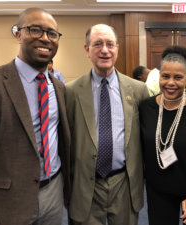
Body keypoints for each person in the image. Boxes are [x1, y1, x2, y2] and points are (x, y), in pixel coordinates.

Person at [65, 24, 149, 225]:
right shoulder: (70, 92)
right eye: (97, 44)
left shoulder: (138, 90)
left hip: (124, 183)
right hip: (86, 185)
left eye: (110, 44)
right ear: (87, 50)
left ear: (117, 49)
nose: (104, 50)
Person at [0, 7, 70, 225]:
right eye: (35, 30)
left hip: (53, 192)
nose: (45, 39)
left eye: (52, 33)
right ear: (18, 34)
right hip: (10, 198)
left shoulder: (58, 87)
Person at [139, 45, 186, 225]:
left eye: (178, 77)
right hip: (158, 190)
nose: (170, 82)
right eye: (165, 76)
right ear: (159, 77)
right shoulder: (146, 108)